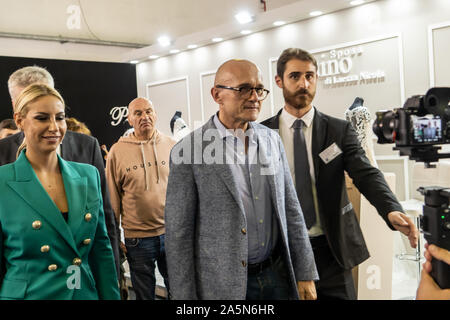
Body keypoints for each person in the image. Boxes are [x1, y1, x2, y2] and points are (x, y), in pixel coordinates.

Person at [261, 48, 419, 300]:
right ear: (279, 81)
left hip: (331, 249)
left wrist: (390, 208)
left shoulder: (338, 130)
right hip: (283, 253)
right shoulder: (261, 134)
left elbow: (366, 173)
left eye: (310, 76)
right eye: (295, 76)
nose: (304, 83)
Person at [165, 59, 318, 300]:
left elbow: (291, 208)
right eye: (244, 89)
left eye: (259, 89)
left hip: (276, 275)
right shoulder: (189, 151)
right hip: (223, 287)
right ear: (217, 95)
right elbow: (178, 237)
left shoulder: (271, 140)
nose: (255, 97)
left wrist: (305, 271)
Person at [0, 83, 120, 299]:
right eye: (42, 118)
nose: (54, 127)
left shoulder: (88, 175)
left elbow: (101, 251)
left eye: (60, 117)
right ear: (19, 120)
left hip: (83, 294)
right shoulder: (3, 181)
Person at [106, 97, 176, 300]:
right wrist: (115, 235)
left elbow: (183, 193)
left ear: (155, 115)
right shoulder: (117, 152)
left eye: (148, 111)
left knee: (179, 289)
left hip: (170, 233)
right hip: (137, 239)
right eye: (138, 113)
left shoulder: (172, 146)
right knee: (145, 293)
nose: (144, 117)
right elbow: (113, 197)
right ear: (129, 119)